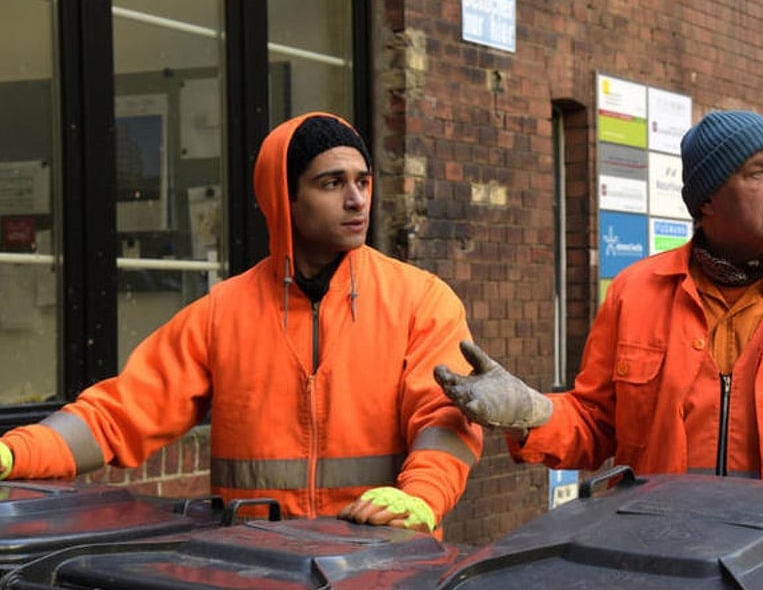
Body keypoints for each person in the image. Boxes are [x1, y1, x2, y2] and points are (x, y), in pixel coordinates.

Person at [0, 113, 483, 536]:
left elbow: (444, 418)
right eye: (332, 183)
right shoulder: (224, 312)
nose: (357, 200)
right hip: (257, 569)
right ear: (284, 198)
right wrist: (14, 454)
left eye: (363, 180)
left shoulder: (421, 301)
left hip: (384, 566)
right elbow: (117, 416)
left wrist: (423, 496)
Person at [435, 109, 763, 490]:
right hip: (665, 559)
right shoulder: (636, 292)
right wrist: (533, 413)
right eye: (759, 172)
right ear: (707, 201)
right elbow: (594, 425)